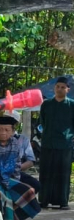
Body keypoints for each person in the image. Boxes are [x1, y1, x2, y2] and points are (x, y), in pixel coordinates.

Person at [37, 77, 74, 209]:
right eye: (58, 86)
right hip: (48, 143)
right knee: (46, 172)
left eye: (63, 87)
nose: (60, 89)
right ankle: (44, 200)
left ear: (67, 89)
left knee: (63, 173)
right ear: (54, 88)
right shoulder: (46, 104)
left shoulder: (71, 105)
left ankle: (63, 201)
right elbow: (43, 122)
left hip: (65, 144)